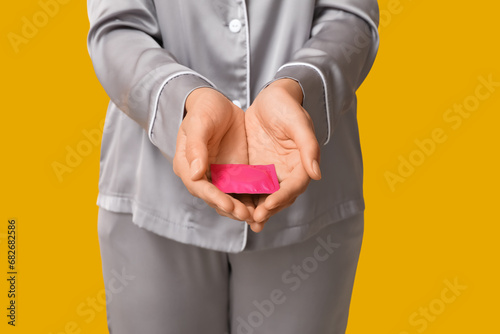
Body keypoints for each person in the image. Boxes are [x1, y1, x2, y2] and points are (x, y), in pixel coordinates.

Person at [87, 0, 379, 333]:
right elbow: (117, 29)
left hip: (308, 201)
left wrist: (299, 87)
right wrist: (184, 99)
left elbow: (350, 19)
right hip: (151, 192)